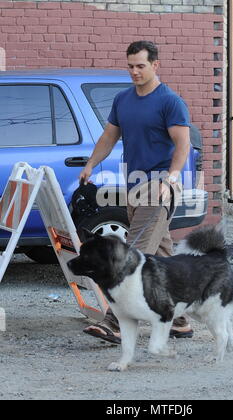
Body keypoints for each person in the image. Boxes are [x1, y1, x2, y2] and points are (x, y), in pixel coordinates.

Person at [79, 40, 193, 344]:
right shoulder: (123, 99)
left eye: (140, 66)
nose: (134, 71)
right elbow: (109, 136)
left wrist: (170, 179)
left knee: (134, 252)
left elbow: (183, 145)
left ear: (155, 65)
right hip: (134, 187)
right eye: (130, 66)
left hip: (158, 189)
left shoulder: (170, 101)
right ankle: (178, 318)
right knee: (162, 256)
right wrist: (91, 163)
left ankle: (114, 322)